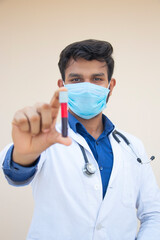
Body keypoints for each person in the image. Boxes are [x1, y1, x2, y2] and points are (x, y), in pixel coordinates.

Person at [1, 39, 160, 240]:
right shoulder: (46, 139)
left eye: (96, 79)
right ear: (62, 86)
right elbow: (17, 173)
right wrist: (24, 155)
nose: (87, 87)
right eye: (76, 79)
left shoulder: (132, 146)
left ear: (110, 86)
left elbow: (153, 215)